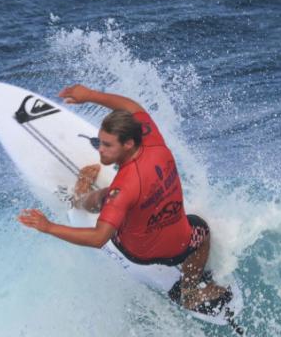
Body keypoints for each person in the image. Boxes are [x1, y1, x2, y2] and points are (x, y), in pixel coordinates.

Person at [17, 84, 231, 312]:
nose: (100, 150)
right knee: (201, 228)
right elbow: (132, 107)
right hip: (182, 243)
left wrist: (49, 227)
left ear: (128, 144)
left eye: (108, 145)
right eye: (100, 142)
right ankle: (189, 286)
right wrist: (90, 95)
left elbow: (99, 238)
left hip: (139, 252)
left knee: (104, 196)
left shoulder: (122, 189)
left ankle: (79, 198)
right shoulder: (153, 140)